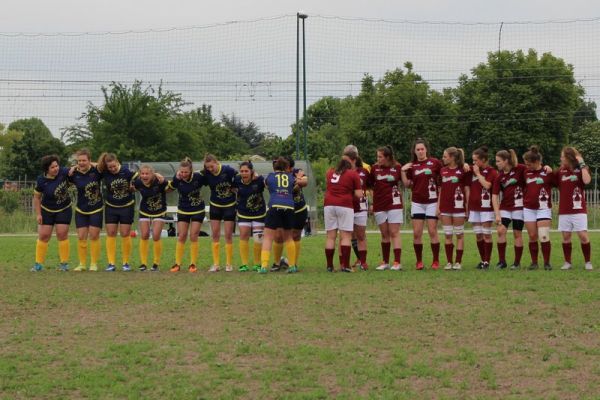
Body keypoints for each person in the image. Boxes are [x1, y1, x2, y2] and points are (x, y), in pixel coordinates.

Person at [400, 138, 442, 270]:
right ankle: (419, 262)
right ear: (414, 151)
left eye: (422, 149)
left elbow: (444, 176)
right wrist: (402, 171)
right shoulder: (412, 166)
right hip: (417, 202)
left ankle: (435, 261)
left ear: (426, 150)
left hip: (432, 202)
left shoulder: (435, 163)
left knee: (432, 231)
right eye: (417, 149)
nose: (420, 151)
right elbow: (407, 185)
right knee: (417, 233)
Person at [259, 157, 306, 274]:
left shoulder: (270, 176)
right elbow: (295, 187)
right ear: (286, 167)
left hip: (275, 206)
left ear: (275, 167)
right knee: (289, 237)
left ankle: (264, 266)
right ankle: (292, 266)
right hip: (289, 207)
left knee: (268, 237)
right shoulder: (291, 177)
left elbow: (266, 185)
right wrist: (298, 178)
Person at [97, 153, 138, 272]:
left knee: (125, 233)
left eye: (114, 166)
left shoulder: (127, 171)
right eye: (110, 167)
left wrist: (134, 186)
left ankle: (126, 263)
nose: (112, 169)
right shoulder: (105, 172)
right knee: (111, 233)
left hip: (126, 206)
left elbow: (140, 178)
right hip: (111, 206)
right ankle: (111, 263)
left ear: (117, 162)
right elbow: (93, 165)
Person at [32, 155, 72, 271]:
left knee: (62, 235)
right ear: (46, 169)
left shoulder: (63, 172)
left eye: (56, 166)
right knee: (44, 236)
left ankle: (64, 264)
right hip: (47, 210)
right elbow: (37, 198)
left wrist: (74, 168)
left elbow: (77, 167)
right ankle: (38, 264)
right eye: (52, 167)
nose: (56, 169)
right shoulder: (41, 180)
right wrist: (38, 214)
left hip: (64, 209)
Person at [555, 147, 593, 270]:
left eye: (562, 156)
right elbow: (549, 180)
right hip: (564, 210)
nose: (561, 158)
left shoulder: (582, 169)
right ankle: (567, 262)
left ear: (569, 157)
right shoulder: (560, 171)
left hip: (578, 209)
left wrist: (581, 163)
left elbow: (587, 181)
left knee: (583, 235)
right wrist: (548, 169)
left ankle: (588, 262)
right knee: (566, 236)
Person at [368, 146, 403, 271]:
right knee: (384, 234)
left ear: (387, 157)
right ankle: (385, 262)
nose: (378, 159)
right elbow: (370, 186)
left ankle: (397, 262)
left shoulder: (397, 167)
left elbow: (403, 182)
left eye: (380, 157)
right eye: (377, 156)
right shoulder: (374, 168)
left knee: (394, 232)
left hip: (394, 203)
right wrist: (372, 202)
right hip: (379, 204)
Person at [324, 157, 363, 272]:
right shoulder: (352, 174)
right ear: (349, 167)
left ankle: (329, 266)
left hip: (329, 204)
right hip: (344, 204)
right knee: (346, 236)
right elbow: (359, 194)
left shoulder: (330, 172)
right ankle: (345, 265)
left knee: (330, 237)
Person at [168, 157, 207, 273]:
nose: (183, 174)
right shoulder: (177, 178)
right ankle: (177, 264)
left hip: (197, 210)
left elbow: (209, 176)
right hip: (183, 210)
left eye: (186, 172)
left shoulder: (198, 177)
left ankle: (193, 264)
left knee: (193, 236)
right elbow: (169, 188)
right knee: (182, 236)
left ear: (191, 171)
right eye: (181, 172)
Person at [68, 149, 103, 272]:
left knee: (94, 236)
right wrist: (72, 168)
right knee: (81, 236)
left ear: (89, 160)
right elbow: (61, 174)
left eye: (84, 160)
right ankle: (82, 264)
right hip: (81, 209)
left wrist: (94, 164)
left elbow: (108, 163)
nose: (81, 163)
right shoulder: (74, 174)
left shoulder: (97, 171)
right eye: (79, 161)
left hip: (96, 208)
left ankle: (93, 263)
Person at [492, 149, 526, 269]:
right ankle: (502, 262)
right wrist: (497, 214)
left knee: (517, 233)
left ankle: (516, 263)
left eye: (498, 161)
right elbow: (494, 195)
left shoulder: (520, 169)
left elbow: (534, 170)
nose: (497, 163)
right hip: (505, 208)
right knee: (500, 231)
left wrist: (546, 167)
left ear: (506, 161)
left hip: (519, 208)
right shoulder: (499, 176)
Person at [203, 154, 237, 272]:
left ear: (216, 162)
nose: (210, 169)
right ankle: (216, 264)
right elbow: (193, 174)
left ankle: (229, 264)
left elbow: (240, 177)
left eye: (211, 166)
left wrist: (234, 187)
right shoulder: (206, 173)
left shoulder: (228, 170)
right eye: (208, 168)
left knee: (228, 235)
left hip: (229, 206)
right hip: (215, 206)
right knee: (215, 234)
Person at [522, 146, 554, 270]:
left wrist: (550, 168)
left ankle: (547, 263)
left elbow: (558, 182)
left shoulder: (547, 172)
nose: (527, 166)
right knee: (532, 235)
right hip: (529, 208)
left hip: (543, 208)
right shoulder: (525, 172)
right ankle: (534, 262)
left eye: (529, 164)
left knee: (543, 235)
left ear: (536, 162)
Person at [437, 147, 469, 270]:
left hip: (459, 207)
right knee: (448, 235)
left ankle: (458, 262)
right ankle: (449, 262)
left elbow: (466, 189)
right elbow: (441, 190)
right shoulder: (442, 170)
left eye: (445, 156)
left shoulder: (464, 170)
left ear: (452, 158)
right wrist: (438, 206)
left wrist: (467, 207)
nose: (443, 158)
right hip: (445, 207)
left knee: (459, 235)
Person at [132, 164, 169, 271]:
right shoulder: (138, 182)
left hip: (159, 210)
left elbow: (171, 186)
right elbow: (133, 187)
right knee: (144, 235)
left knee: (156, 236)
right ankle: (143, 263)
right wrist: (130, 189)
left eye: (147, 173)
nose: (144, 176)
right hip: (145, 210)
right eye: (142, 173)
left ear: (152, 174)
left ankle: (156, 263)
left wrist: (162, 177)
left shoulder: (159, 181)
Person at [467, 146, 498, 270]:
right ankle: (482, 259)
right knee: (478, 235)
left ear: (483, 160)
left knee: (486, 235)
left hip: (486, 208)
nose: (473, 163)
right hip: (474, 208)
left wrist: (478, 174)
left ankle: (487, 261)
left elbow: (487, 185)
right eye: (472, 160)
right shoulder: (472, 169)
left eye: (476, 160)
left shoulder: (491, 171)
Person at [233, 161, 266, 272]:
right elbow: (232, 189)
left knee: (257, 238)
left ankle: (257, 264)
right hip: (243, 213)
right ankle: (244, 264)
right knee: (243, 236)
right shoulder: (237, 180)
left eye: (246, 171)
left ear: (251, 171)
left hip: (259, 213)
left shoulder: (259, 180)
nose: (244, 173)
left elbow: (268, 184)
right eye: (242, 171)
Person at [344, 144, 371, 266]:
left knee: (360, 234)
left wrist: (371, 202)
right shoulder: (342, 171)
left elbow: (370, 186)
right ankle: (349, 261)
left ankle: (363, 261)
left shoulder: (365, 169)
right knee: (347, 235)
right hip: (346, 206)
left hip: (361, 207)